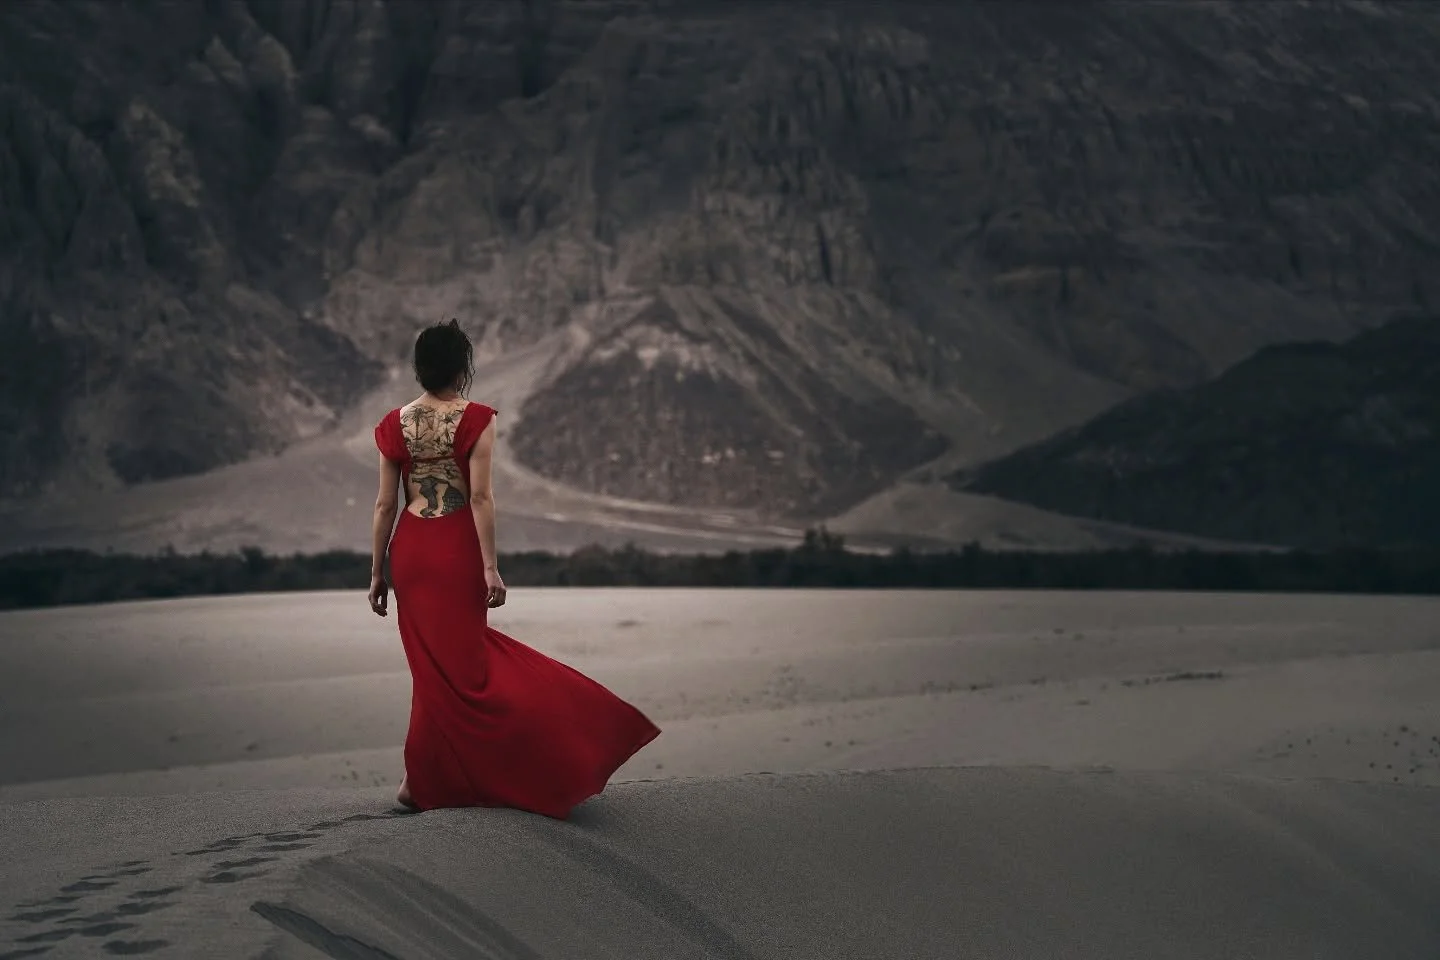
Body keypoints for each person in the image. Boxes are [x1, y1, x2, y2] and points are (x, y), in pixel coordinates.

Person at [367, 319, 661, 818]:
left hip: (412, 553)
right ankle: (428, 780)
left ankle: (421, 780)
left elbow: (383, 507)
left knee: (433, 669)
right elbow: (479, 496)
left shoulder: (395, 423)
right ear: (462, 367)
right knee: (466, 668)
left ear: (420, 367)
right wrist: (490, 568)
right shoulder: (477, 417)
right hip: (455, 550)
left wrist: (377, 572)